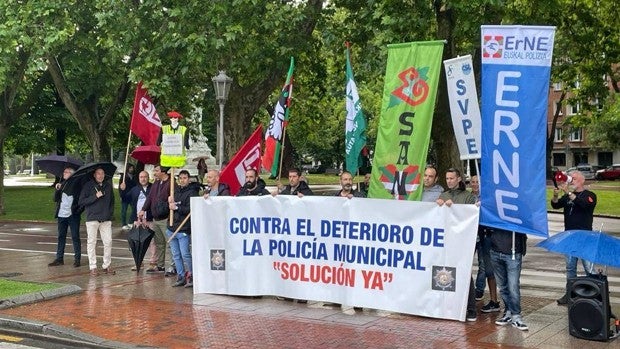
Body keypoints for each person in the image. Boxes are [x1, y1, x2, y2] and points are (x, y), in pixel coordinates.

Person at [436, 168, 477, 321]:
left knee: (464, 272)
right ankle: (448, 305)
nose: (449, 181)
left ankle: (471, 308)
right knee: (445, 271)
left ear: (459, 179)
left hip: (464, 240)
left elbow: (470, 216)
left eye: (452, 178)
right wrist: (438, 206)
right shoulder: (443, 195)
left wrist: (455, 209)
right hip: (448, 240)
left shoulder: (468, 197)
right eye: (447, 178)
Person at [551, 170, 597, 305]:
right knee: (570, 268)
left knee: (589, 267)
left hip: (585, 237)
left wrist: (568, 192)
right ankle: (570, 293)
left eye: (574, 178)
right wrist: (555, 195)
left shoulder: (590, 195)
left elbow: (583, 204)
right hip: (570, 236)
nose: (572, 181)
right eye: (571, 179)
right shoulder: (567, 197)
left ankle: (596, 293)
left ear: (582, 180)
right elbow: (555, 205)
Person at [470, 175, 500, 313]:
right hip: (471, 236)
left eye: (478, 182)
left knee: (487, 267)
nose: (475, 184)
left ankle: (489, 296)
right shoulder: (468, 197)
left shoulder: (489, 198)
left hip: (485, 236)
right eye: (473, 182)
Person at [167, 170, 201, 287]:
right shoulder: (174, 192)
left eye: (185, 178)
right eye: (180, 178)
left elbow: (190, 209)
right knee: (176, 255)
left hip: (183, 228)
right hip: (172, 228)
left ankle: (191, 275)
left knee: (185, 254)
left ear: (189, 179)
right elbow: (168, 208)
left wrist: (176, 207)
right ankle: (181, 276)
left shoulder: (192, 193)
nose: (182, 180)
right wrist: (169, 203)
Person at [489, 228, 529, 331]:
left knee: (513, 286)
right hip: (495, 250)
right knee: (503, 287)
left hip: (513, 252)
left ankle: (515, 315)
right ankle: (509, 311)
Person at [79, 167, 115, 276]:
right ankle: (93, 266)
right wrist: (95, 196)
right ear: (94, 175)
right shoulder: (88, 186)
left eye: (102, 173)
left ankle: (107, 265)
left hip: (105, 219)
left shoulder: (108, 186)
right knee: (91, 242)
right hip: (92, 218)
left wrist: (109, 214)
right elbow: (81, 201)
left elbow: (112, 202)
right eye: (98, 173)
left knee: (108, 242)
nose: (101, 176)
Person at [138, 165, 172, 274]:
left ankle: (173, 266)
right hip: (156, 218)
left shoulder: (171, 184)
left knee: (171, 243)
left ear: (163, 171)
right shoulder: (156, 183)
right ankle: (161, 265)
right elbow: (150, 198)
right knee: (159, 243)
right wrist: (143, 209)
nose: (154, 172)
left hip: (166, 218)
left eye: (156, 170)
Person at [48, 167, 82, 268]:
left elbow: (81, 201)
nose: (64, 173)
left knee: (75, 237)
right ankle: (59, 258)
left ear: (71, 174)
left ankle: (77, 259)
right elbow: (55, 199)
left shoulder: (76, 185)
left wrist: (77, 211)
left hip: (72, 215)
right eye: (64, 172)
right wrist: (57, 189)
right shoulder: (61, 184)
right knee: (61, 236)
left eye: (66, 172)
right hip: (61, 215)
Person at [128, 170, 154, 271]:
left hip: (149, 218)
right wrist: (122, 189)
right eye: (141, 177)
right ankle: (138, 262)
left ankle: (153, 262)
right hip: (137, 219)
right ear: (139, 178)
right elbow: (125, 198)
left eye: (145, 177)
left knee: (152, 241)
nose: (143, 179)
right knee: (137, 241)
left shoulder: (152, 188)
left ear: (148, 178)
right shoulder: (135, 189)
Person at [118, 164, 137, 230]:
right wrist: (121, 195)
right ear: (127, 168)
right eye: (130, 168)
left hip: (132, 196)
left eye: (132, 168)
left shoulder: (134, 176)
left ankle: (130, 222)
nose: (131, 169)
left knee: (135, 209)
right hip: (125, 196)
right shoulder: (123, 176)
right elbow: (120, 187)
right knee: (124, 210)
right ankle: (123, 224)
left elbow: (135, 185)